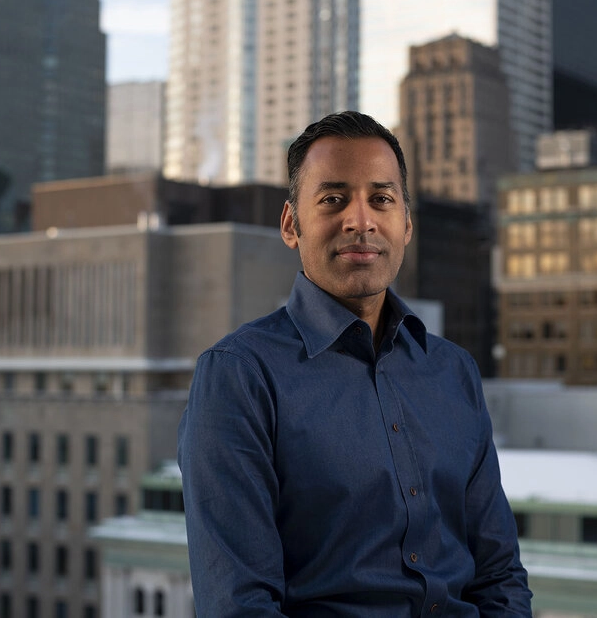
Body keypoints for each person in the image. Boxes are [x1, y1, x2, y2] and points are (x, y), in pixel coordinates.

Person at [178, 111, 532, 616]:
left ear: (406, 225)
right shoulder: (239, 376)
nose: (360, 220)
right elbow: (239, 604)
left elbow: (500, 575)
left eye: (381, 200)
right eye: (332, 199)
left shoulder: (454, 371)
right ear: (290, 225)